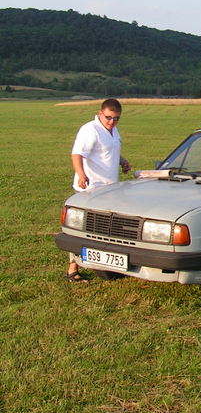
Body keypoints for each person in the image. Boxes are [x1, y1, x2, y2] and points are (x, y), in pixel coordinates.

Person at [66, 98, 131, 283]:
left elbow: (109, 150)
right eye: (109, 117)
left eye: (116, 119)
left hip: (109, 189)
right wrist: (81, 175)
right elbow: (77, 154)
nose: (112, 122)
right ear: (101, 113)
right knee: (83, 230)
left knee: (106, 229)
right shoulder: (90, 130)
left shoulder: (113, 130)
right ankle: (73, 269)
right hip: (91, 188)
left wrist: (122, 161)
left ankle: (109, 264)